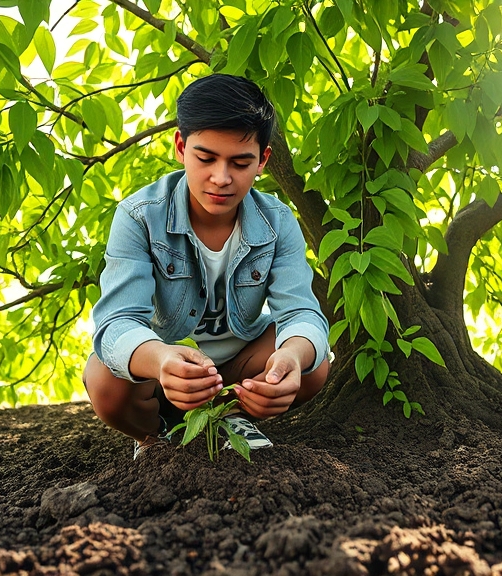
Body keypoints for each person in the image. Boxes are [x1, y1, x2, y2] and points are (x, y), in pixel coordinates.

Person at [84, 74, 330, 459]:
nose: (221, 178)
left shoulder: (278, 222)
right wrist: (163, 359)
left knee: (312, 365)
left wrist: (292, 358)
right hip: (160, 372)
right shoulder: (139, 217)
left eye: (240, 162)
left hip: (237, 367)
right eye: (206, 158)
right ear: (181, 147)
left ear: (263, 161)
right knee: (104, 382)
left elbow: (301, 312)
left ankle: (230, 418)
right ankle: (156, 437)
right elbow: (116, 323)